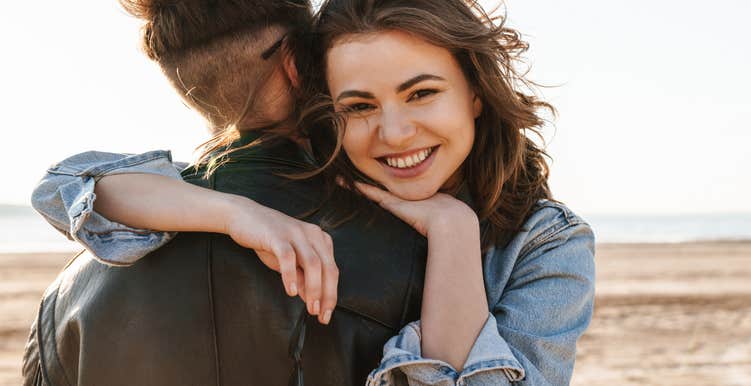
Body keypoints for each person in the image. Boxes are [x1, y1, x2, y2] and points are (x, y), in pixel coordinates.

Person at [27, 1, 596, 385]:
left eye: (421, 94)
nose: (393, 133)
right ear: (322, 99)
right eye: (359, 105)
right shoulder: (314, 189)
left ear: (476, 91)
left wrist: (453, 229)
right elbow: (67, 185)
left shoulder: (544, 244)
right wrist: (233, 211)